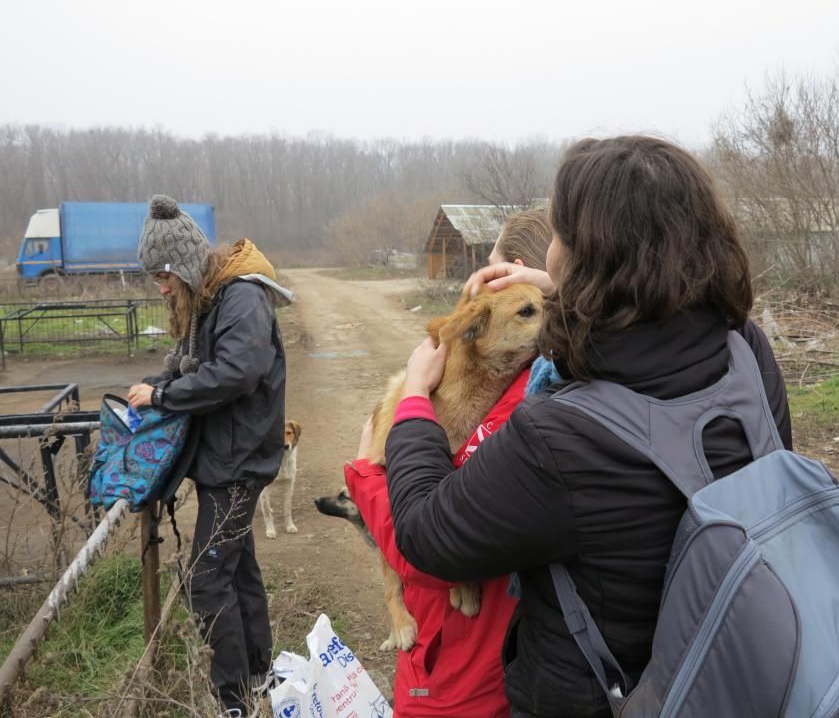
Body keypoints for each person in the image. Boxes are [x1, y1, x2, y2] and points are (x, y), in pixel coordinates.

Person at [384, 136, 793, 718]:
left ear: (586, 254)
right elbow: (649, 338)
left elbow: (427, 536)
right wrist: (565, 291)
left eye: (558, 236)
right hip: (739, 669)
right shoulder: (745, 350)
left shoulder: (560, 435)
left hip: (609, 698)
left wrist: (415, 405)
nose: (548, 252)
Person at [340, 210, 552, 718]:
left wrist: (368, 478)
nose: (480, 279)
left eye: (494, 267)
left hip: (468, 677)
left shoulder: (530, 406)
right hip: (467, 658)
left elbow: (428, 546)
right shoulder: (551, 381)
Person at [126, 194, 290, 718]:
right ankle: (259, 675)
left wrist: (165, 398)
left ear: (184, 264)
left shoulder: (240, 298)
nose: (161, 287)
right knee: (237, 567)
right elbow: (195, 362)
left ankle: (232, 699)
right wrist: (156, 384)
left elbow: (237, 372)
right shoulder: (212, 299)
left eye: (163, 275)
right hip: (230, 453)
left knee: (208, 576)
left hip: (238, 459)